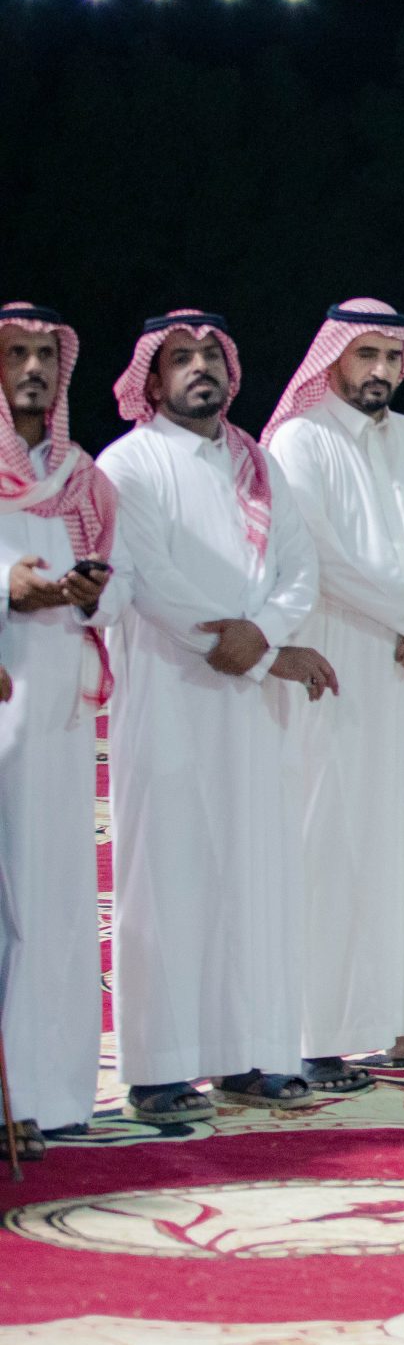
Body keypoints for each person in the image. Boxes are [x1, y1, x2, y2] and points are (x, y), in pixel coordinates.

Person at [97, 311, 339, 1123]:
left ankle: (250, 1053)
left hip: (253, 710)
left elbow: (300, 569)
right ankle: (159, 1067)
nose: (200, 368)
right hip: (170, 699)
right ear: (152, 377)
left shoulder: (258, 464)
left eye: (212, 355)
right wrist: (262, 649)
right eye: (181, 357)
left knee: (255, 876)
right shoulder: (128, 463)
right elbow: (151, 582)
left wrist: (263, 636)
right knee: (168, 876)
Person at [264, 300, 404, 1088]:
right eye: (368, 354)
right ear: (335, 358)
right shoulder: (299, 440)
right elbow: (319, 556)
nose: (382, 370)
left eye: (393, 355)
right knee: (336, 842)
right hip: (345, 665)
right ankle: (318, 1032)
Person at [0, 304, 122, 1148]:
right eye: (16, 354)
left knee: (58, 899)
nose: (34, 368)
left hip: (64, 707)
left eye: (46, 354)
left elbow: (123, 581)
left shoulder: (82, 478)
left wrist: (88, 594)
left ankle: (56, 1094)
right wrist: (11, 585)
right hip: (7, 691)